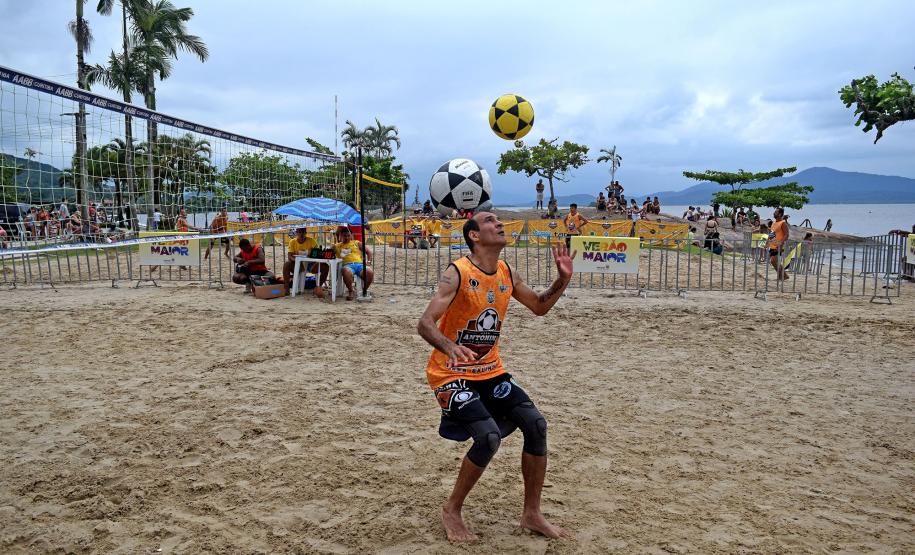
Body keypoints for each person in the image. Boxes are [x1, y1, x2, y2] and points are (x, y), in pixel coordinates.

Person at [416, 211, 573, 542]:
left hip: (490, 371)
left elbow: (539, 306)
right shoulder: (457, 272)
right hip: (450, 373)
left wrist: (562, 281)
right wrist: (449, 346)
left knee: (536, 425)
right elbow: (425, 323)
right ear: (474, 235)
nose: (499, 223)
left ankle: (532, 513)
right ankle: (452, 510)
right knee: (488, 437)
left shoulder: (506, 271)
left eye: (500, 219)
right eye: (490, 221)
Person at [283, 227, 326, 297]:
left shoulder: (311, 241)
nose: (301, 234)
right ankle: (286, 287)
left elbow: (318, 252)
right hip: (298, 264)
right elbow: (289, 256)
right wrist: (297, 260)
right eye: (299, 232)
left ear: (306, 233)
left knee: (325, 266)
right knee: (286, 264)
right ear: (296, 233)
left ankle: (318, 287)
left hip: (310, 264)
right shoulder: (292, 242)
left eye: (303, 232)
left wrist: (316, 253)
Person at [335, 225, 374, 300]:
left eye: (348, 235)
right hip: (347, 265)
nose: (346, 237)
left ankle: (364, 290)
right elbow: (329, 253)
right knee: (346, 271)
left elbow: (369, 252)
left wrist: (369, 261)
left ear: (351, 236)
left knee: (370, 272)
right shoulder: (337, 246)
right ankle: (350, 291)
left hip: (359, 265)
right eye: (344, 236)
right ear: (341, 236)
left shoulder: (357, 243)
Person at [766, 207, 790, 280]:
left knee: (773, 261)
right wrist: (767, 242)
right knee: (774, 262)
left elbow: (786, 234)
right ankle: (783, 276)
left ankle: (783, 276)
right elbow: (772, 233)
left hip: (778, 245)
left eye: (776, 212)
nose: (774, 213)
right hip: (772, 245)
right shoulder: (774, 223)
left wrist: (781, 243)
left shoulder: (783, 223)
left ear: (780, 214)